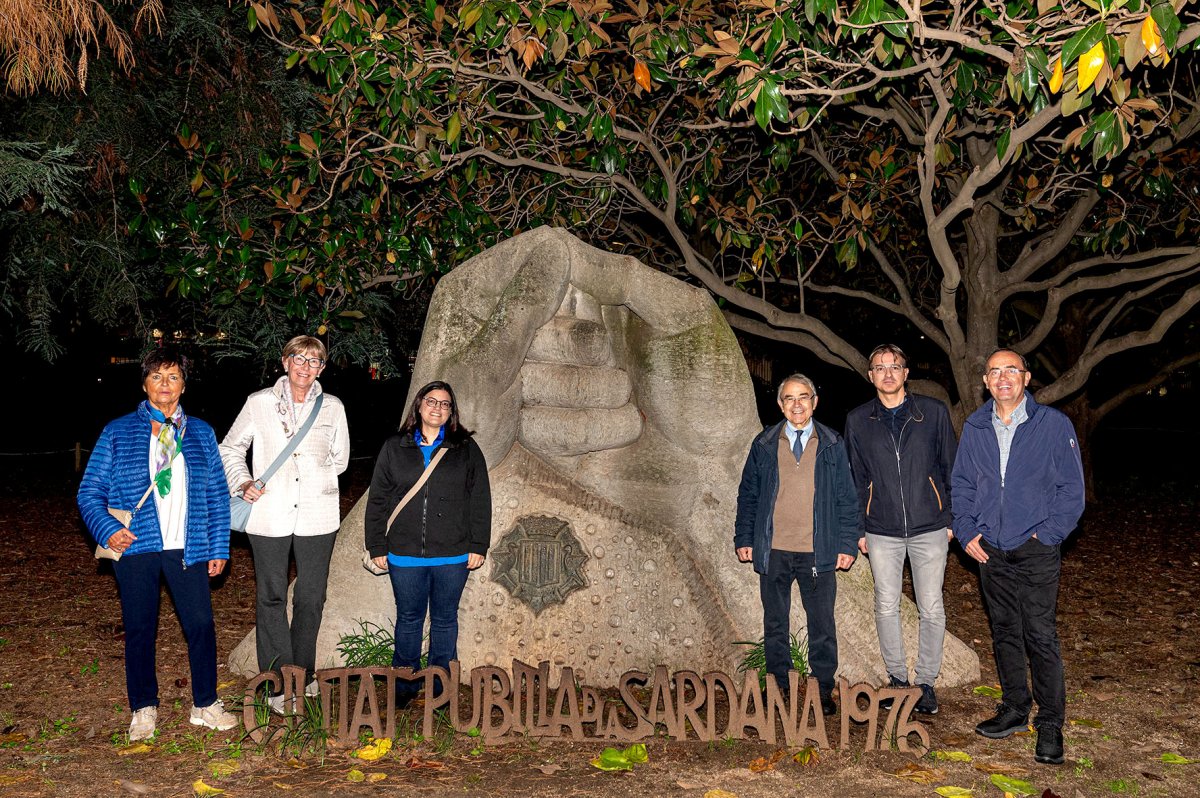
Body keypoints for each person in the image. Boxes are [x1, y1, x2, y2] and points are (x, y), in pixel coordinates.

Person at [77, 347, 238, 741]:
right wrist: (106, 529)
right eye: (156, 377)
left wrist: (218, 547)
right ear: (144, 382)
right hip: (136, 546)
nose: (164, 385)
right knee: (139, 627)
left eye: (173, 377)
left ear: (184, 384)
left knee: (201, 624)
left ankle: (205, 703)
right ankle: (143, 708)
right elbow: (89, 491)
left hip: (188, 546)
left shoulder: (200, 432)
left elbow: (217, 495)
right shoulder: (118, 431)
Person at [952, 348, 1085, 766]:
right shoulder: (975, 427)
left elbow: (1072, 490)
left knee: (1040, 633)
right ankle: (1013, 708)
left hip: (1036, 547)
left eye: (1012, 369)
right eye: (995, 371)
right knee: (1005, 630)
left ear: (1027, 379)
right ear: (986, 382)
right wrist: (968, 528)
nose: (1003, 377)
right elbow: (961, 485)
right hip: (990, 547)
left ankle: (1050, 722)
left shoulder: (1053, 425)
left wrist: (1047, 535)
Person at [219, 335, 349, 711]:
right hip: (269, 513)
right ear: (285, 362)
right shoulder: (258, 403)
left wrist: (314, 476)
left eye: (315, 362)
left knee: (311, 597)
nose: (306, 367)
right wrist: (242, 482)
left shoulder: (333, 408)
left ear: (322, 369)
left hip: (317, 514)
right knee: (271, 596)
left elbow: (340, 459)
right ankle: (277, 683)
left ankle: (302, 675)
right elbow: (230, 447)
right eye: (299, 359)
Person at [734, 374, 860, 716]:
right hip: (773, 549)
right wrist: (744, 537)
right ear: (780, 405)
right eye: (789, 398)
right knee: (775, 622)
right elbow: (748, 495)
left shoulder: (833, 444)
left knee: (822, 623)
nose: (797, 404)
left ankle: (822, 690)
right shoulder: (763, 444)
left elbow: (848, 499)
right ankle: (778, 687)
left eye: (803, 397)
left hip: (817, 552)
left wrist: (847, 543)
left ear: (815, 401)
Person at [845, 344, 957, 715]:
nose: (888, 373)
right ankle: (897, 678)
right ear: (870, 376)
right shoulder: (859, 420)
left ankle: (926, 682)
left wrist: (952, 519)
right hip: (880, 529)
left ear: (906, 373)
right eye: (880, 367)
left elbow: (951, 468)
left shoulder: (934, 414)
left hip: (930, 527)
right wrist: (859, 526)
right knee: (886, 604)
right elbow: (855, 478)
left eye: (895, 366)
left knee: (932, 606)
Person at [364, 381, 491, 707]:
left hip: (452, 554)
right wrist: (376, 546)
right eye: (431, 401)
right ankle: (403, 690)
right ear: (419, 406)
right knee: (408, 620)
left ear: (451, 412)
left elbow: (480, 499)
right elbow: (377, 499)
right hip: (404, 554)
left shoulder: (465, 449)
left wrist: (479, 543)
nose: (437, 408)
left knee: (446, 621)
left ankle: (441, 692)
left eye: (445, 404)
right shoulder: (395, 447)